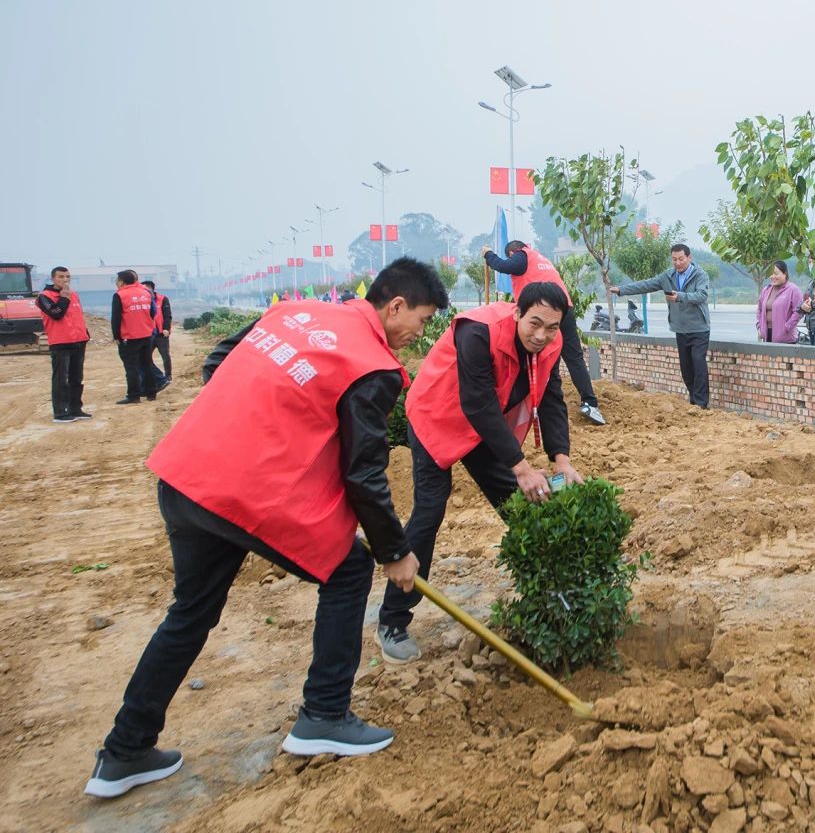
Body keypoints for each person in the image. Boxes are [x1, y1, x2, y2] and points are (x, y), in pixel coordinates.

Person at [84, 258, 449, 799]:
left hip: (186, 475)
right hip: (240, 495)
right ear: (395, 305)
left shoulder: (294, 314)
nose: (419, 335)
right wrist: (396, 552)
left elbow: (218, 361)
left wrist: (255, 420)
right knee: (349, 571)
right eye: (421, 321)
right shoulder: (371, 364)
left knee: (190, 612)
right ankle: (324, 714)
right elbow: (364, 474)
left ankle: (124, 751)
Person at [376, 282, 585, 663]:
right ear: (517, 312)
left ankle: (554, 597)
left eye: (552, 328)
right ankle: (392, 619)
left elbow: (551, 397)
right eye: (534, 323)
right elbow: (476, 401)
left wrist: (562, 460)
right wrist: (520, 467)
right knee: (429, 511)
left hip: (485, 427)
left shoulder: (549, 345)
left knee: (521, 504)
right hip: (438, 416)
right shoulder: (478, 331)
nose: (541, 335)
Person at [482, 240, 606, 426]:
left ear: (511, 252)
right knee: (572, 358)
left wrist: (488, 254)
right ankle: (589, 402)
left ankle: (535, 404)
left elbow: (504, 266)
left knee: (542, 360)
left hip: (542, 313)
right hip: (564, 310)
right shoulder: (540, 259)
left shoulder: (521, 255)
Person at [610, 244, 711, 408]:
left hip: (699, 328)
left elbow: (701, 295)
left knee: (698, 363)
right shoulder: (668, 276)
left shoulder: (700, 275)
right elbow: (646, 284)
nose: (677, 263)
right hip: (680, 328)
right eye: (674, 260)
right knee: (686, 368)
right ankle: (694, 401)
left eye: (681, 259)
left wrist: (680, 296)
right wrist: (621, 290)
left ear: (689, 258)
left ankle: (701, 403)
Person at [37, 266, 91, 422]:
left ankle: (76, 409)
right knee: (61, 379)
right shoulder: (44, 297)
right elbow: (56, 313)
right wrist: (64, 298)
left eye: (67, 277)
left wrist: (84, 334)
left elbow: (77, 316)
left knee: (76, 378)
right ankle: (61, 412)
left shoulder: (74, 295)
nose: (65, 280)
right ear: (53, 278)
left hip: (79, 342)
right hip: (60, 343)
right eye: (61, 277)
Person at [111, 270, 158, 404]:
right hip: (146, 334)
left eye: (117, 280)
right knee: (147, 364)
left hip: (129, 337)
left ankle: (134, 396)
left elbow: (116, 318)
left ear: (122, 281)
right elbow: (153, 312)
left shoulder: (120, 295)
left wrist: (116, 336)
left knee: (131, 367)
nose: (116, 283)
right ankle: (151, 393)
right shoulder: (146, 292)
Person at [755, 261, 804, 344]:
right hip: (767, 335)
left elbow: (799, 311)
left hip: (786, 338)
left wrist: (787, 327)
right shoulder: (766, 290)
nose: (773, 276)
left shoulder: (793, 290)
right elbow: (759, 310)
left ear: (785, 273)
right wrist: (759, 326)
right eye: (771, 274)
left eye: (776, 274)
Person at [141, 280, 172, 389]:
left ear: (152, 288)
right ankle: (151, 378)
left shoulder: (162, 299)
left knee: (165, 356)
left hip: (161, 334)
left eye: (146, 288)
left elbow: (167, 315)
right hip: (148, 334)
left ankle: (168, 376)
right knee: (145, 358)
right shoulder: (142, 301)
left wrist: (166, 329)